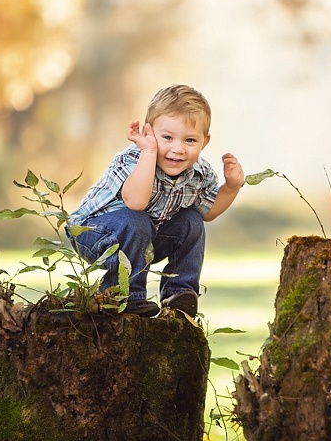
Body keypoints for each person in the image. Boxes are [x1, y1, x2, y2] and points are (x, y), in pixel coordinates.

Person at [67, 84, 244, 318]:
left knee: (192, 221)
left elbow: (208, 212)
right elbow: (136, 203)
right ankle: (123, 295)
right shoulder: (133, 158)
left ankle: (180, 294)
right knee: (136, 219)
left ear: (205, 141)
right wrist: (149, 152)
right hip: (93, 233)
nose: (177, 149)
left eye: (190, 140)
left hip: (143, 238)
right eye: (167, 137)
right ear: (149, 133)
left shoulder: (199, 173)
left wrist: (231, 187)